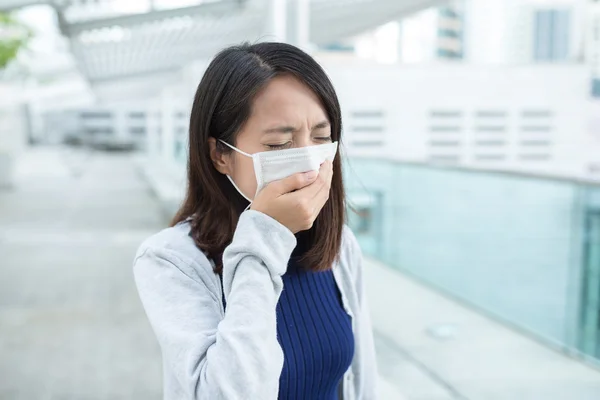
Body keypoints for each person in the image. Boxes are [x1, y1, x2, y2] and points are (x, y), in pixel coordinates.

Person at [133, 42, 378, 400]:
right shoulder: (170, 261)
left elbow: (362, 378)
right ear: (220, 154)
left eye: (321, 138)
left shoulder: (340, 246)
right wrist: (266, 234)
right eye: (280, 144)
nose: (309, 162)